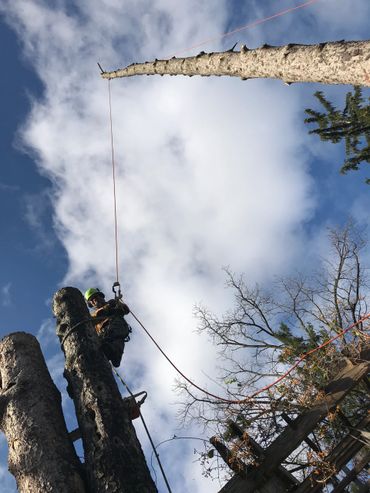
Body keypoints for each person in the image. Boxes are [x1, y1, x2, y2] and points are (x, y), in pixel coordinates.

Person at [84, 288, 131, 367]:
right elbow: (97, 317)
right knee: (107, 342)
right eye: (92, 300)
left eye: (96, 297)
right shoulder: (93, 315)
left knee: (117, 341)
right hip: (105, 335)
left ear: (101, 297)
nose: (95, 300)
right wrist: (107, 307)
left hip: (118, 330)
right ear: (90, 304)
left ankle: (115, 355)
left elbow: (126, 310)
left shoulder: (113, 304)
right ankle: (109, 352)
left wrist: (118, 304)